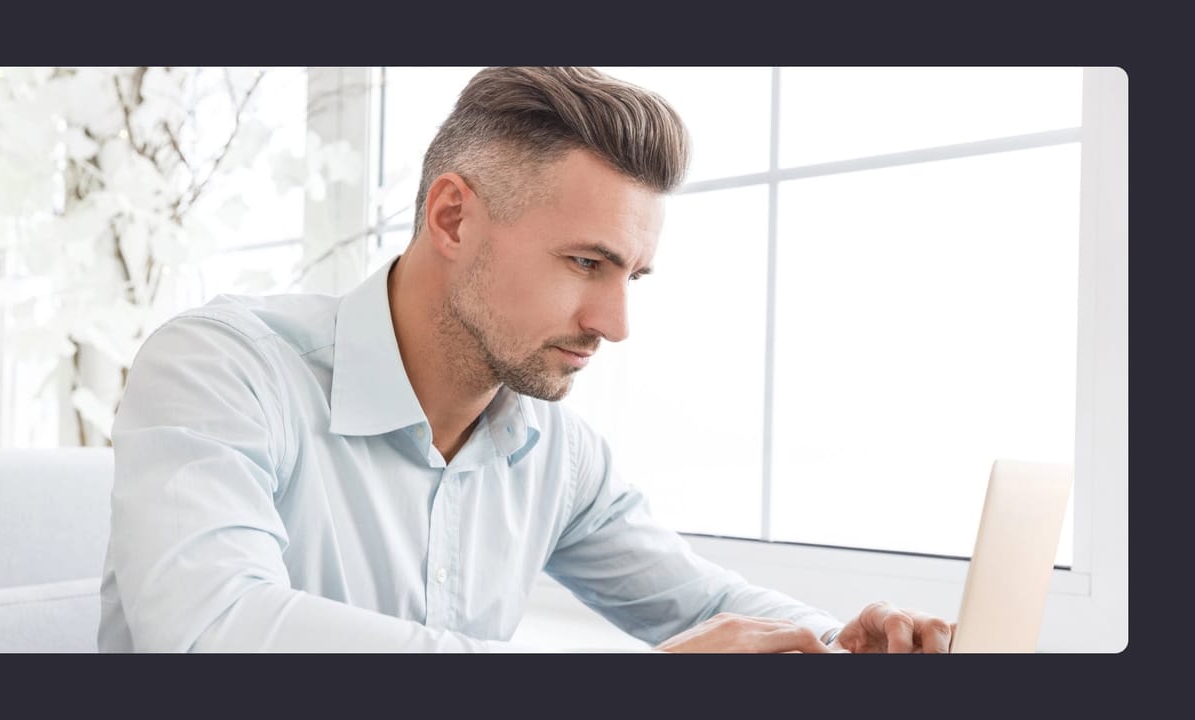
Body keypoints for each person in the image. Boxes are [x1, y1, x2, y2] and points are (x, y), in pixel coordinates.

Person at [99, 66, 956, 653]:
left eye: (632, 275)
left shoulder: (556, 453)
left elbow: (698, 605)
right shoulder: (222, 368)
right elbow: (211, 628)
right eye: (586, 263)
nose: (614, 324)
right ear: (453, 217)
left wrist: (846, 639)